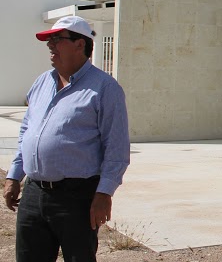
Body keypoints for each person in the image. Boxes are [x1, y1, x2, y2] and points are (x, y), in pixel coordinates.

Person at [3, 15, 130, 262]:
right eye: (49, 40)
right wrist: (14, 175)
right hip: (33, 193)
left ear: (80, 44)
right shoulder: (41, 82)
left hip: (76, 198)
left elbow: (116, 148)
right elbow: (27, 132)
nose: (50, 45)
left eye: (57, 39)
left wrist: (104, 194)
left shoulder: (104, 88)